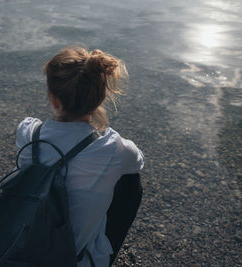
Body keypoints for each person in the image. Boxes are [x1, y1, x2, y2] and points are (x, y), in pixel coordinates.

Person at [15, 46, 144, 267]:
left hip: (16, 253)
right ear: (100, 99)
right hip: (76, 261)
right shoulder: (115, 150)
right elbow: (139, 160)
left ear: (55, 101)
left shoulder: (27, 133)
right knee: (131, 182)